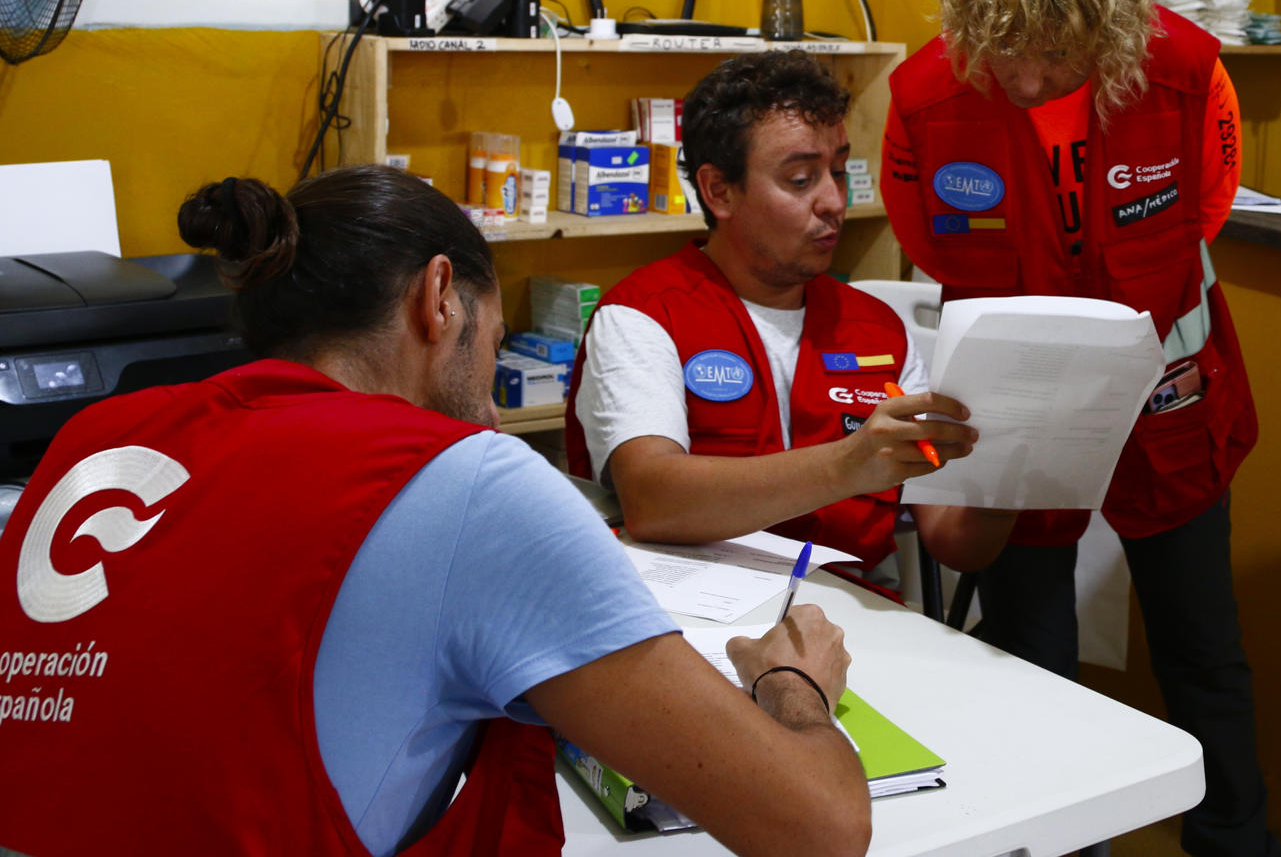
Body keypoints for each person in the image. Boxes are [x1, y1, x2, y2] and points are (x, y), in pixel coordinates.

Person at [0, 166, 871, 857]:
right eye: (490, 355)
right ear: (439, 295)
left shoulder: (97, 438)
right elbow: (817, 830)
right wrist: (794, 687)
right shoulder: (465, 477)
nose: (489, 410)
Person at [882, 0, 1280, 857]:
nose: (1025, 72)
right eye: (1005, 45)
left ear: (1106, 26)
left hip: (1169, 403)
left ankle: (1237, 841)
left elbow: (1210, 207)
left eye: (1055, 51)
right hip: (1018, 412)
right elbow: (922, 235)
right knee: (1032, 660)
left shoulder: (1186, 73)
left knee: (1203, 654)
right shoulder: (924, 97)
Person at [564, 50, 1014, 576]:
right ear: (718, 191)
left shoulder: (879, 330)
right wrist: (848, 465)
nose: (833, 202)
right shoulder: (643, 316)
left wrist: (1012, 471)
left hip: (855, 617)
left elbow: (954, 543)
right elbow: (652, 499)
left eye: (839, 172)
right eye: (801, 180)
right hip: (696, 616)